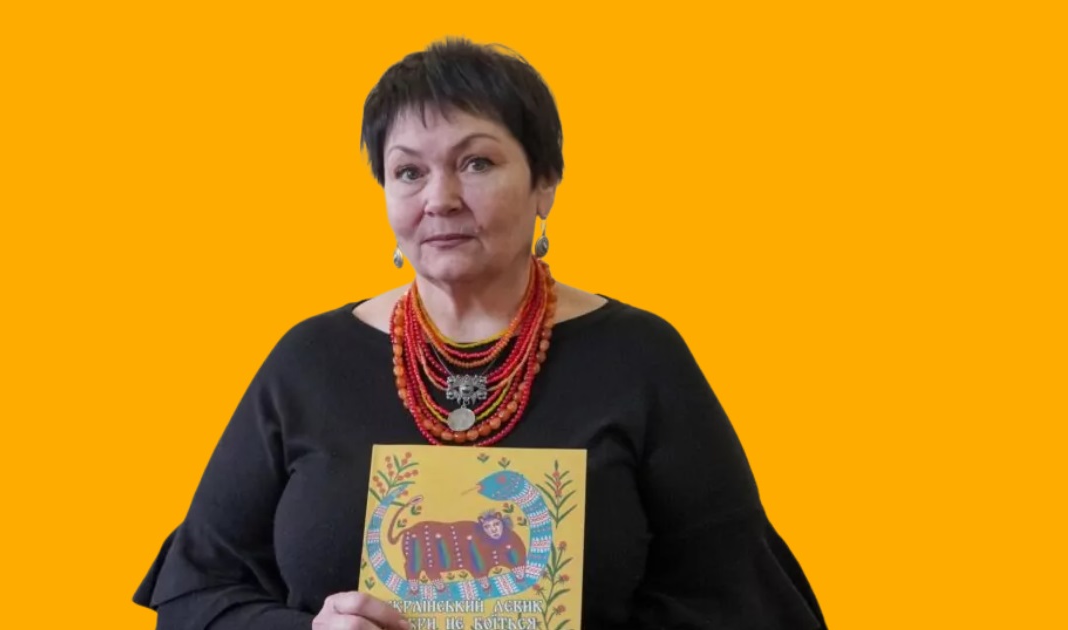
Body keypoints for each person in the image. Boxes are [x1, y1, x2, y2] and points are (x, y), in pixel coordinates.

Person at [133, 37, 826, 630]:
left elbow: (742, 601)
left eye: (477, 163)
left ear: (545, 182)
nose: (440, 199)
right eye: (409, 171)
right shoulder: (309, 362)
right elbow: (196, 594)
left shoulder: (642, 358)